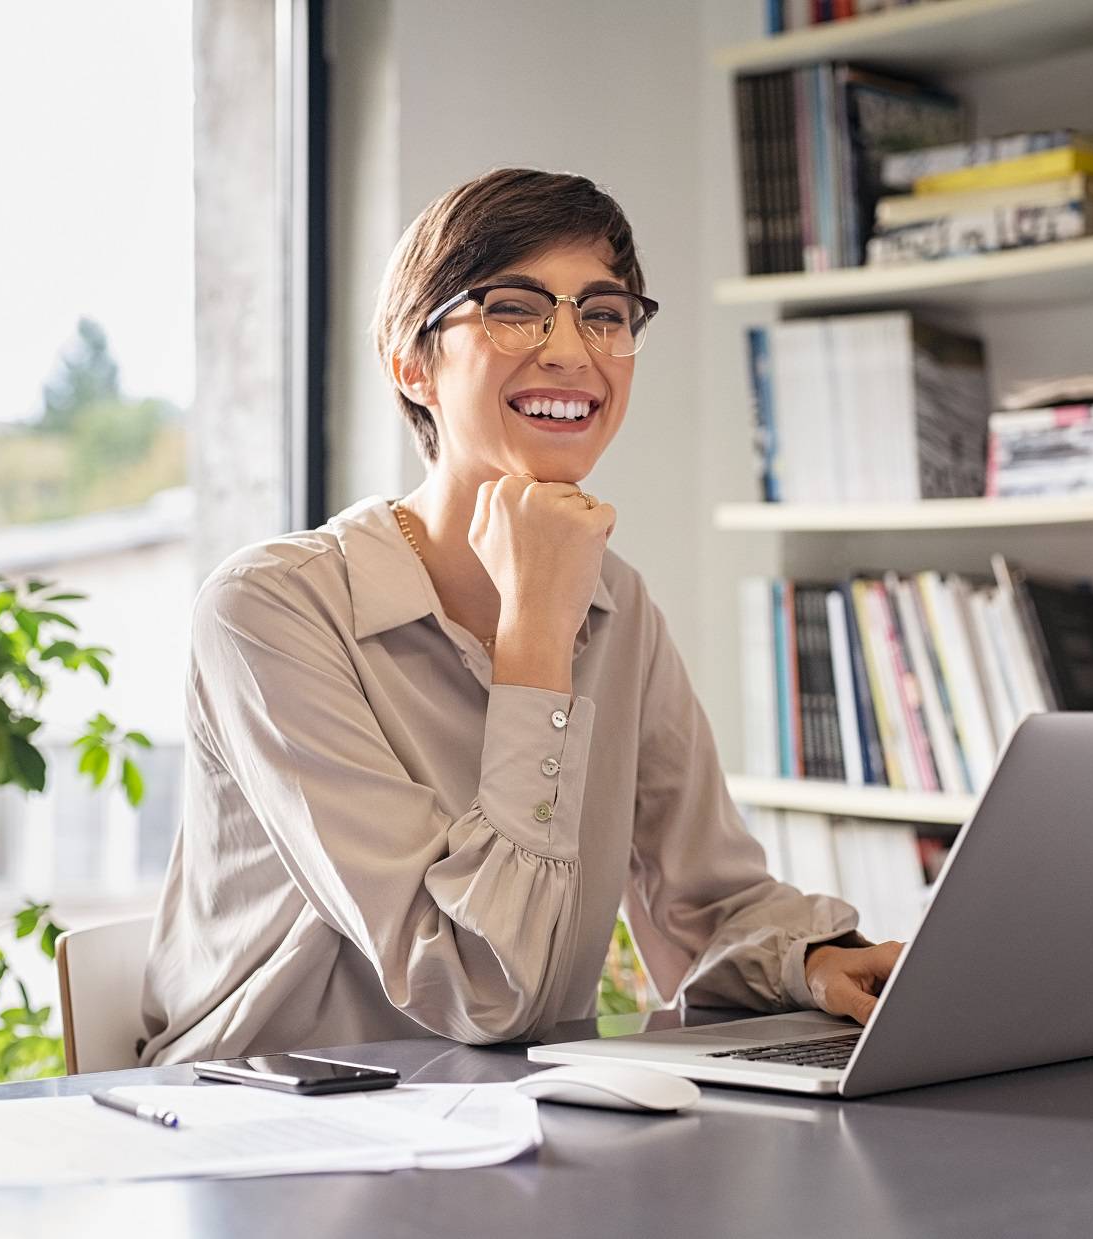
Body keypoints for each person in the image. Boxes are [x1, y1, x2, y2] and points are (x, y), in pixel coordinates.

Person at [139, 168, 902, 1066]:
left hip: (501, 1117)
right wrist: (535, 633)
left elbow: (705, 904)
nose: (573, 351)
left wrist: (814, 962)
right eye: (516, 307)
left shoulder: (620, 604)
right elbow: (478, 989)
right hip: (266, 1139)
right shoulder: (268, 610)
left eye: (605, 315)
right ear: (410, 361)